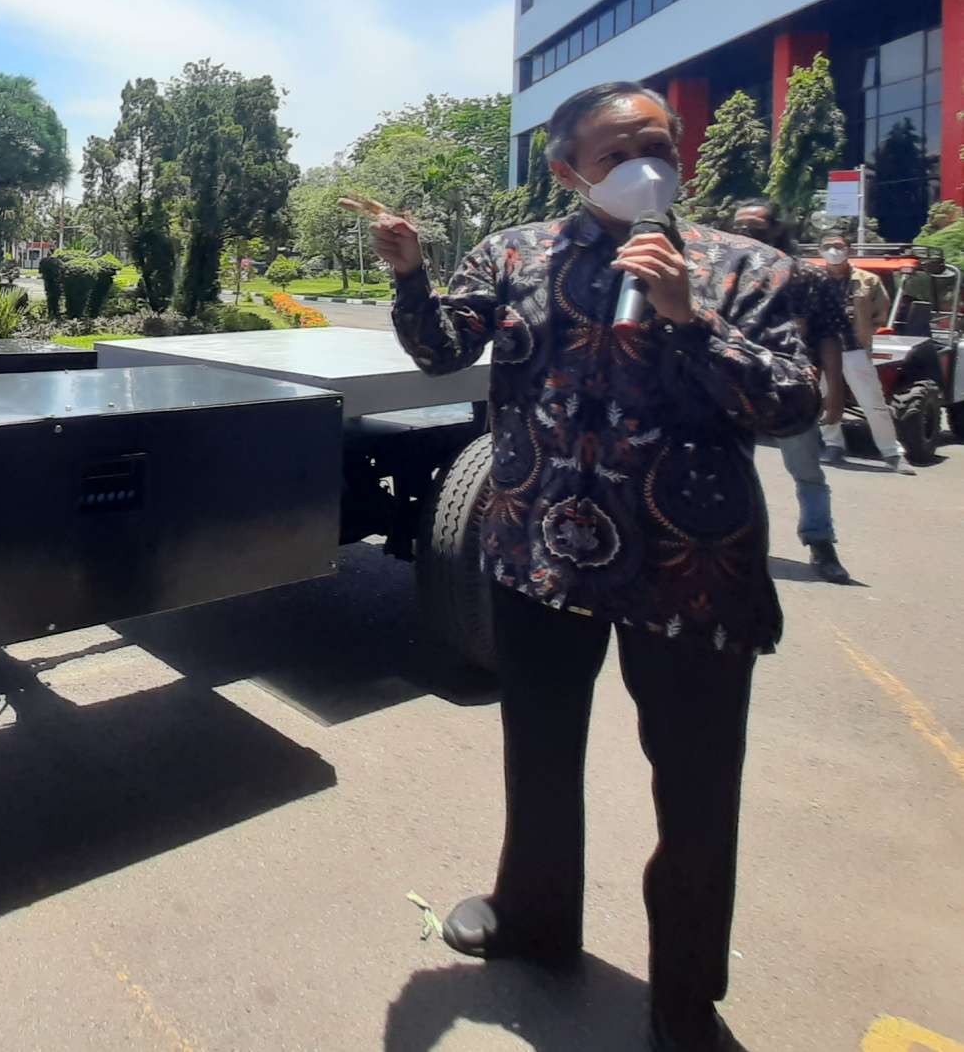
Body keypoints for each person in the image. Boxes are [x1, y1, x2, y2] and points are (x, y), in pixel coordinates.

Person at [359, 81, 816, 1052]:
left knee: (695, 793)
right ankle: (536, 918)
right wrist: (412, 274)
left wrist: (689, 316)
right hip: (543, 559)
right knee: (540, 755)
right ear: (567, 168)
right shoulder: (515, 253)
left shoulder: (745, 266)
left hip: (691, 575)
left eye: (660, 142)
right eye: (617, 150)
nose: (647, 161)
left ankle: (686, 998)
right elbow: (444, 351)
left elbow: (792, 404)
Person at [729, 202, 857, 583]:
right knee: (727, 468)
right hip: (730, 386)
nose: (748, 233)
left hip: (790, 391)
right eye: (741, 226)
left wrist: (835, 393)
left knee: (807, 472)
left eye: (757, 226)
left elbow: (829, 336)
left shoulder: (805, 277)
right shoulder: (721, 272)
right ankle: (731, 544)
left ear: (777, 229)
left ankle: (821, 544)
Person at [814, 231, 909, 473]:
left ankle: (892, 453)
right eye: (828, 246)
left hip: (854, 349)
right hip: (823, 351)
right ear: (820, 251)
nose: (834, 250)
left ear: (849, 249)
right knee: (826, 399)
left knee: (873, 402)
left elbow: (881, 311)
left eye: (838, 245)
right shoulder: (812, 279)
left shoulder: (868, 280)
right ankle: (833, 445)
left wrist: (864, 331)